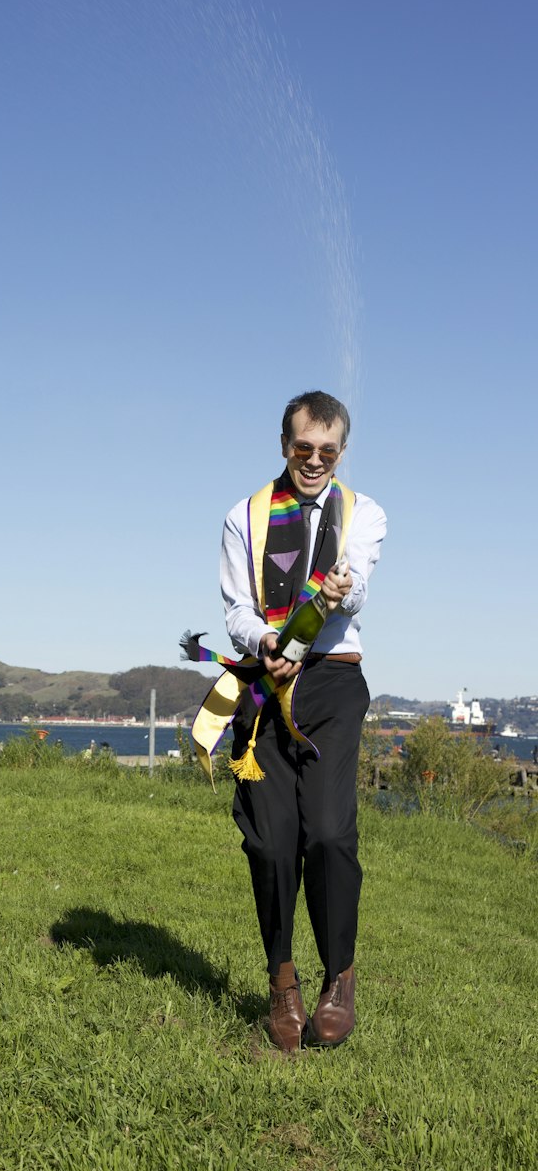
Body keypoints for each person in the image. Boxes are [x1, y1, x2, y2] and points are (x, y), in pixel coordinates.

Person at [217, 391, 386, 1051]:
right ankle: (283, 979)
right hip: (264, 681)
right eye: (302, 448)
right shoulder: (245, 516)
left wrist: (342, 591)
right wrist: (264, 642)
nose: (314, 460)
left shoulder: (362, 513)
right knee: (269, 839)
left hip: (333, 681)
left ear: (341, 452)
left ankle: (338, 974)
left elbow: (360, 580)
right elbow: (235, 608)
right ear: (284, 444)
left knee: (330, 833)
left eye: (327, 451)